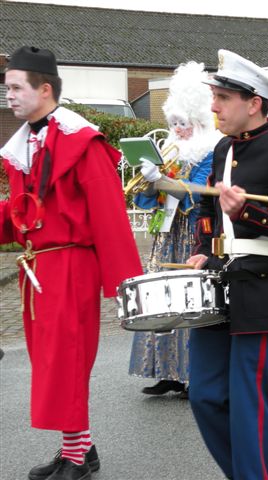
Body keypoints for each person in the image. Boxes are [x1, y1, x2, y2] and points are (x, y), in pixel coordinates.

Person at [1, 46, 142, 480]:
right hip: (39, 269)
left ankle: (78, 458)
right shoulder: (26, 143)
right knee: (52, 362)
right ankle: (77, 449)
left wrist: (126, 288)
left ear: (45, 89)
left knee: (66, 360)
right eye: (6, 88)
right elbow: (24, 210)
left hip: (71, 267)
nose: (9, 96)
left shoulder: (83, 142)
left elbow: (110, 216)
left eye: (15, 87)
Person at [185, 49, 268, 480]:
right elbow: (210, 212)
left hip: (262, 288)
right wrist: (205, 248)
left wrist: (250, 213)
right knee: (205, 395)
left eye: (223, 97)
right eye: (215, 96)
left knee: (250, 402)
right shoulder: (224, 146)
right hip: (218, 282)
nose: (214, 106)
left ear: (253, 102)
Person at [128, 61, 224, 397]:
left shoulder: (209, 152)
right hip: (166, 234)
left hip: (192, 235)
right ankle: (167, 371)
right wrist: (149, 182)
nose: (178, 129)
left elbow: (196, 194)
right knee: (162, 300)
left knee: (188, 301)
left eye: (182, 123)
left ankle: (192, 373)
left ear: (197, 121)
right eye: (173, 123)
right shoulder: (170, 152)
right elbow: (148, 197)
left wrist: (163, 179)